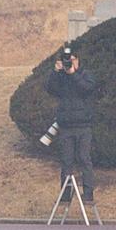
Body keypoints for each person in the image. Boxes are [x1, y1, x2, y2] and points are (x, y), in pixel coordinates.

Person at [45, 44, 98, 210]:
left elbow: (87, 89)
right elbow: (50, 89)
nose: (69, 63)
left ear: (77, 60)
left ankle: (88, 195)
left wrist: (73, 73)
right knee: (66, 161)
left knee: (84, 158)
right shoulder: (61, 77)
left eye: (71, 60)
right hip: (66, 125)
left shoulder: (85, 75)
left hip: (83, 125)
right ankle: (65, 196)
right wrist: (55, 72)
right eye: (66, 61)